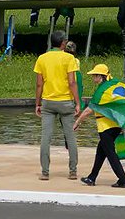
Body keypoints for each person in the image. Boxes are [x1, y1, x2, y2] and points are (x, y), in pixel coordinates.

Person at [73, 64, 125, 188]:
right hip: (116, 124)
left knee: (110, 153)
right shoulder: (116, 85)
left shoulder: (102, 91)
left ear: (100, 76)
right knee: (101, 151)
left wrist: (77, 122)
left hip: (106, 126)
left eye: (94, 75)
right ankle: (92, 177)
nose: (93, 78)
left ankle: (123, 179)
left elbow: (90, 109)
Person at [34, 30, 80, 181]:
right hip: (66, 102)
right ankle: (72, 171)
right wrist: (77, 102)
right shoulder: (69, 58)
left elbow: (39, 84)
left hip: (48, 102)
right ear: (63, 43)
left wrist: (37, 103)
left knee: (45, 137)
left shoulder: (42, 58)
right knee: (70, 137)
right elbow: (72, 82)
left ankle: (45, 172)